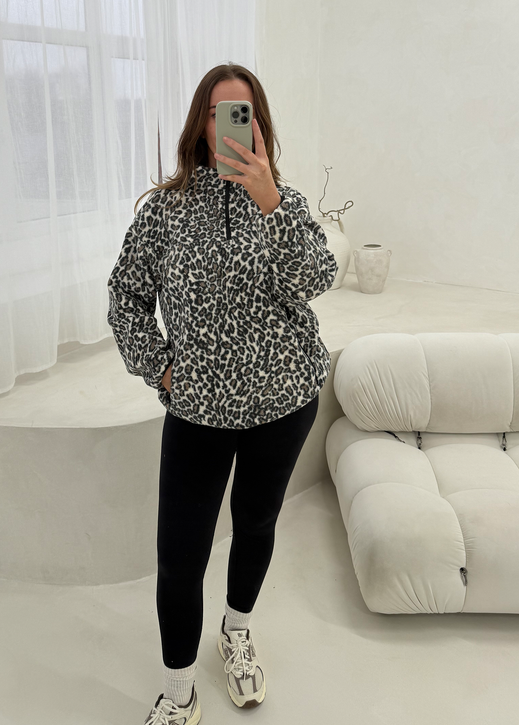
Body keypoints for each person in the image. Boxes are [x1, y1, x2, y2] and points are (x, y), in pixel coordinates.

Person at [107, 62, 337, 725]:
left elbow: (316, 279)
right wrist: (160, 368)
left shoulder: (285, 203)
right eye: (216, 112)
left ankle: (236, 631)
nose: (229, 124)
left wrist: (271, 202)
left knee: (256, 523)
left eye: (242, 112)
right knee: (180, 555)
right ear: (201, 125)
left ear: (258, 125)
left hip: (283, 401)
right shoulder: (166, 210)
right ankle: (179, 691)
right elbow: (126, 295)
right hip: (197, 410)